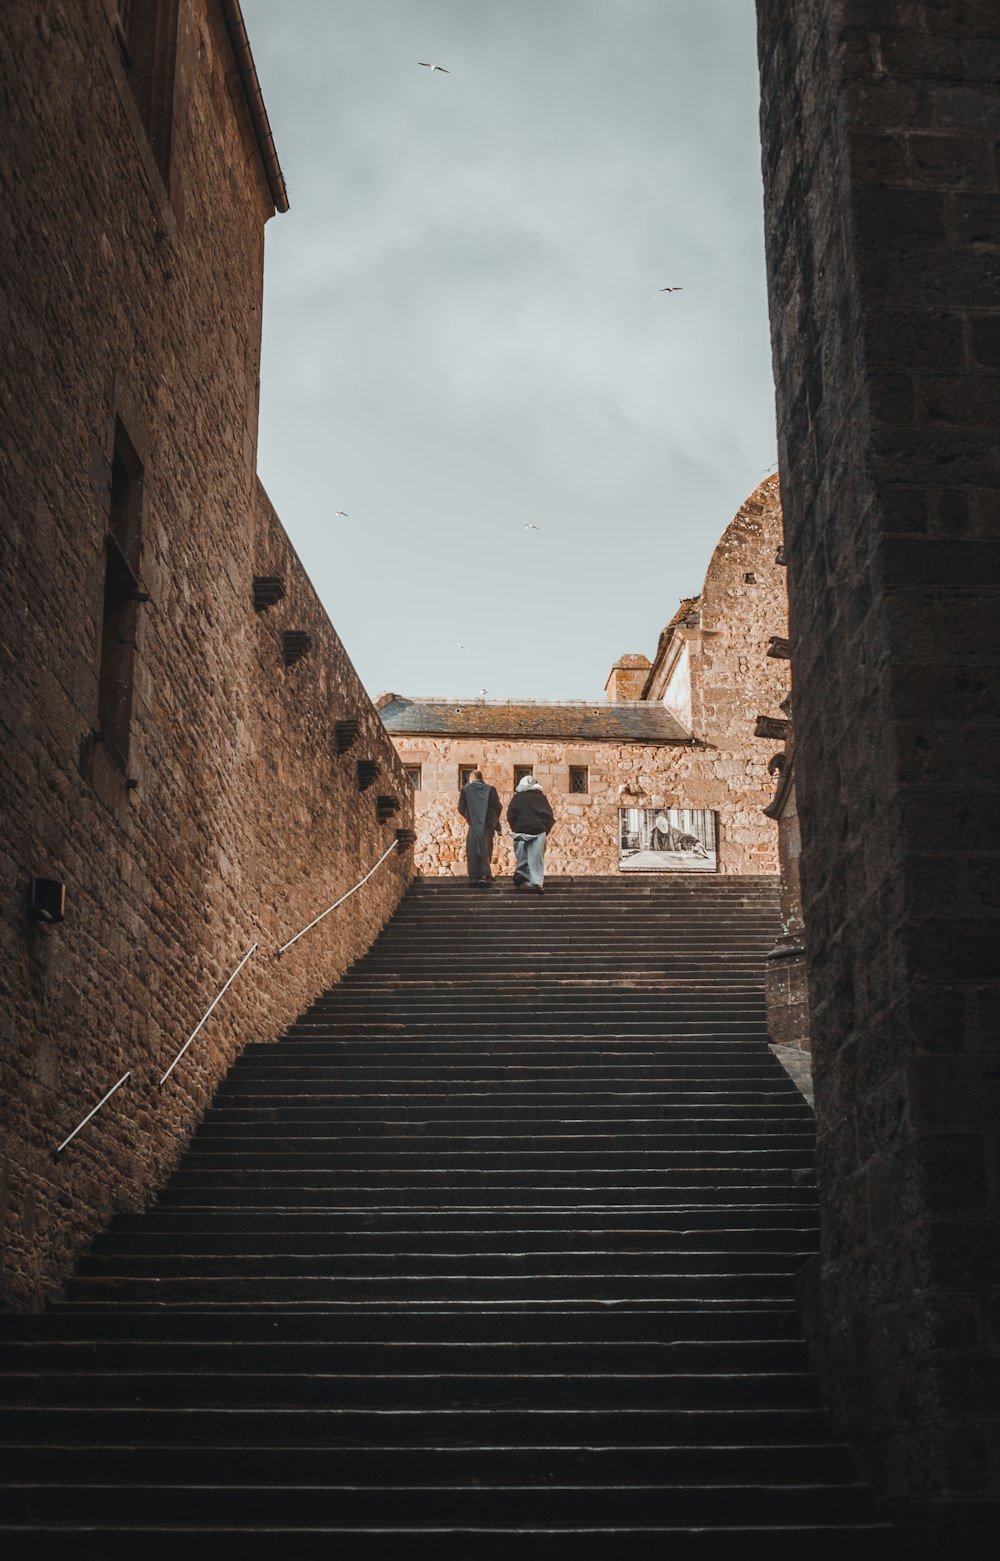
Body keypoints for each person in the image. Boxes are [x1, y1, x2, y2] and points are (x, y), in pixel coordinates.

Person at [506, 774, 554, 895]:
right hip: (538, 830)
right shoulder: (541, 798)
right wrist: (544, 830)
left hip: (521, 831)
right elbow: (549, 817)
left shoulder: (517, 797)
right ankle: (537, 882)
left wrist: (516, 828)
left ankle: (521, 874)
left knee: (522, 855)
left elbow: (511, 815)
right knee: (536, 859)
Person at [457, 769, 502, 887]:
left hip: (474, 823)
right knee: (486, 846)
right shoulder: (491, 789)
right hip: (488, 822)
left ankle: (475, 876)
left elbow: (461, 807)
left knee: (472, 847)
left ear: (471, 779)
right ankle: (484, 875)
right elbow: (497, 806)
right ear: (481, 778)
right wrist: (495, 822)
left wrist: (470, 817)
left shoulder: (466, 790)